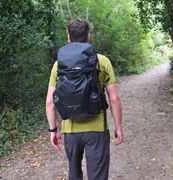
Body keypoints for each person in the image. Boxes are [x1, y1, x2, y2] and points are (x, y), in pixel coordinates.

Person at [45, 18, 123, 180]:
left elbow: (50, 102)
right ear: (89, 36)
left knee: (74, 175)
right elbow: (114, 99)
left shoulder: (59, 64)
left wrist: (53, 130)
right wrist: (118, 127)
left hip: (70, 131)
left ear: (69, 37)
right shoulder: (102, 61)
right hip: (97, 130)